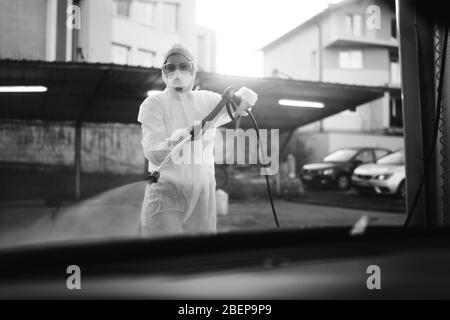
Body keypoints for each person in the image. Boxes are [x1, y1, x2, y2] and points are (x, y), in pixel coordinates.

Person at [137, 43, 257, 237]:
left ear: (193, 70)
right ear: (163, 72)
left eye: (184, 66)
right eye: (171, 67)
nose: (177, 71)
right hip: (166, 193)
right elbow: (154, 153)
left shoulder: (207, 100)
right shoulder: (153, 104)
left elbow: (238, 105)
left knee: (198, 258)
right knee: (164, 256)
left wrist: (245, 97)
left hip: (202, 194)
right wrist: (183, 136)